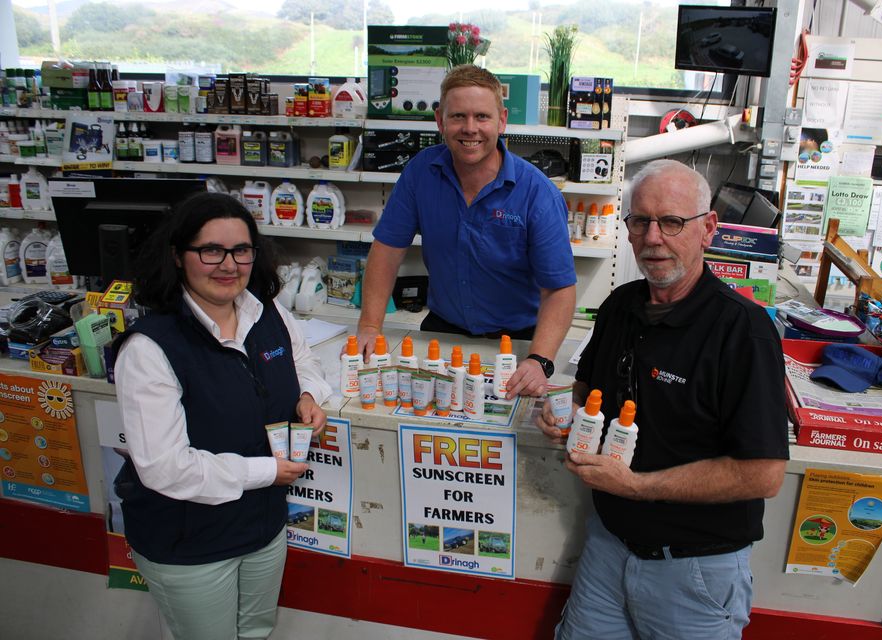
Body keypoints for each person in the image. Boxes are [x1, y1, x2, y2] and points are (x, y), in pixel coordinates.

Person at [536, 159, 789, 639]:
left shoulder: (744, 332)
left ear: (707, 229)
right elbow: (585, 389)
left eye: (672, 222)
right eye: (640, 221)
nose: (653, 238)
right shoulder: (618, 307)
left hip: (693, 572)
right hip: (608, 551)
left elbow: (762, 474)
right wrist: (567, 413)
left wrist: (634, 487)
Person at [113, 192, 332, 640]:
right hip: (188, 541)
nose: (229, 265)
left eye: (241, 250)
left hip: (263, 527)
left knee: (255, 630)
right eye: (211, 250)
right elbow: (164, 467)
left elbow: (302, 357)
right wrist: (267, 471)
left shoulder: (266, 312)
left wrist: (309, 393)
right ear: (178, 256)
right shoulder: (150, 348)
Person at [356, 64, 577, 398]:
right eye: (458, 116)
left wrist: (539, 360)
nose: (470, 128)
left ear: (502, 120)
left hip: (518, 343)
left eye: (482, 117)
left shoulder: (538, 194)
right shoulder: (421, 173)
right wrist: (370, 326)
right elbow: (387, 251)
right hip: (444, 332)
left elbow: (558, 289)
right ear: (440, 121)